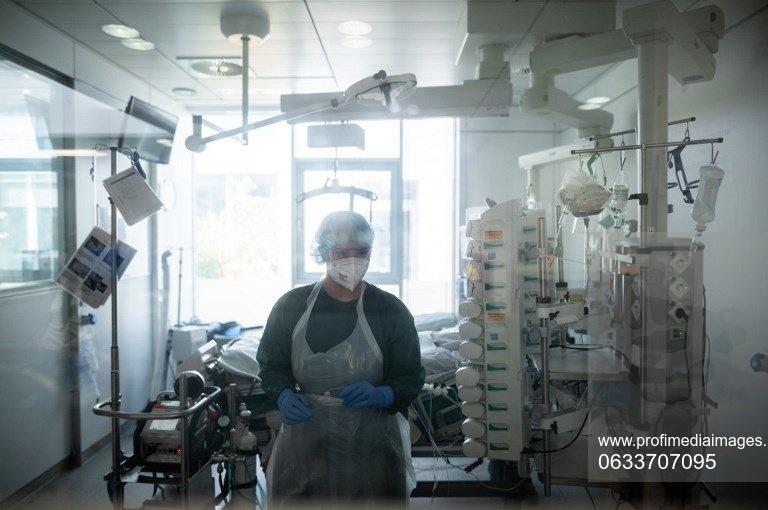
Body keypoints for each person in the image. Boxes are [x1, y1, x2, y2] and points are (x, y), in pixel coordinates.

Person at [256, 210, 425, 507]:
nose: (353, 260)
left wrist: (385, 394)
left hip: (373, 448)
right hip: (306, 446)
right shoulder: (292, 306)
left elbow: (411, 375)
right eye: (343, 252)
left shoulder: (390, 311)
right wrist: (283, 395)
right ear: (324, 252)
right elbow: (272, 366)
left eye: (362, 251)